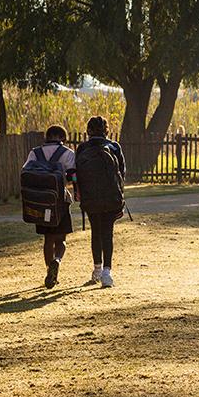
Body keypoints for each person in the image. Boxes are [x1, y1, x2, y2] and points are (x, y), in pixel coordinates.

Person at [23, 125, 76, 289]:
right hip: (60, 201)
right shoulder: (67, 153)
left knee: (48, 239)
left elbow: (25, 172)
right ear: (62, 137)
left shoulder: (35, 153)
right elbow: (73, 175)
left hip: (40, 202)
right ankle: (57, 261)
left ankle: (48, 270)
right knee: (61, 240)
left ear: (47, 137)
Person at [75, 116, 125, 288]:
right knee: (107, 233)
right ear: (106, 131)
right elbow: (122, 174)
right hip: (111, 197)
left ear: (88, 131)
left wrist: (78, 191)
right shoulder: (114, 147)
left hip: (90, 198)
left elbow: (76, 174)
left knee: (95, 231)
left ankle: (96, 268)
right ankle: (107, 272)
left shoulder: (82, 148)